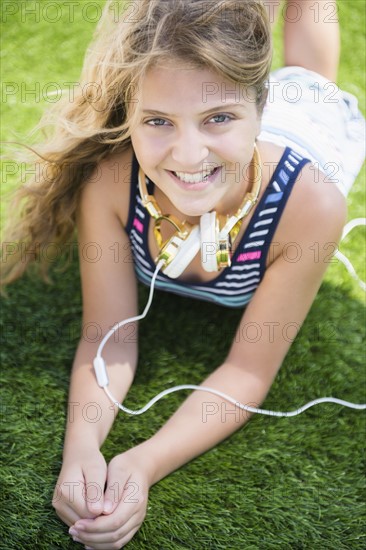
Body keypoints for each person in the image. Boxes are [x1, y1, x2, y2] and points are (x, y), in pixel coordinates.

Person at [1, 1, 364, 548]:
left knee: (310, 79)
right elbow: (108, 336)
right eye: (157, 121)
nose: (189, 156)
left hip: (309, 129)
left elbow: (246, 371)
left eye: (219, 116)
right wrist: (81, 446)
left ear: (260, 110)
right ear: (131, 116)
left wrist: (144, 464)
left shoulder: (311, 206)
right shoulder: (109, 182)